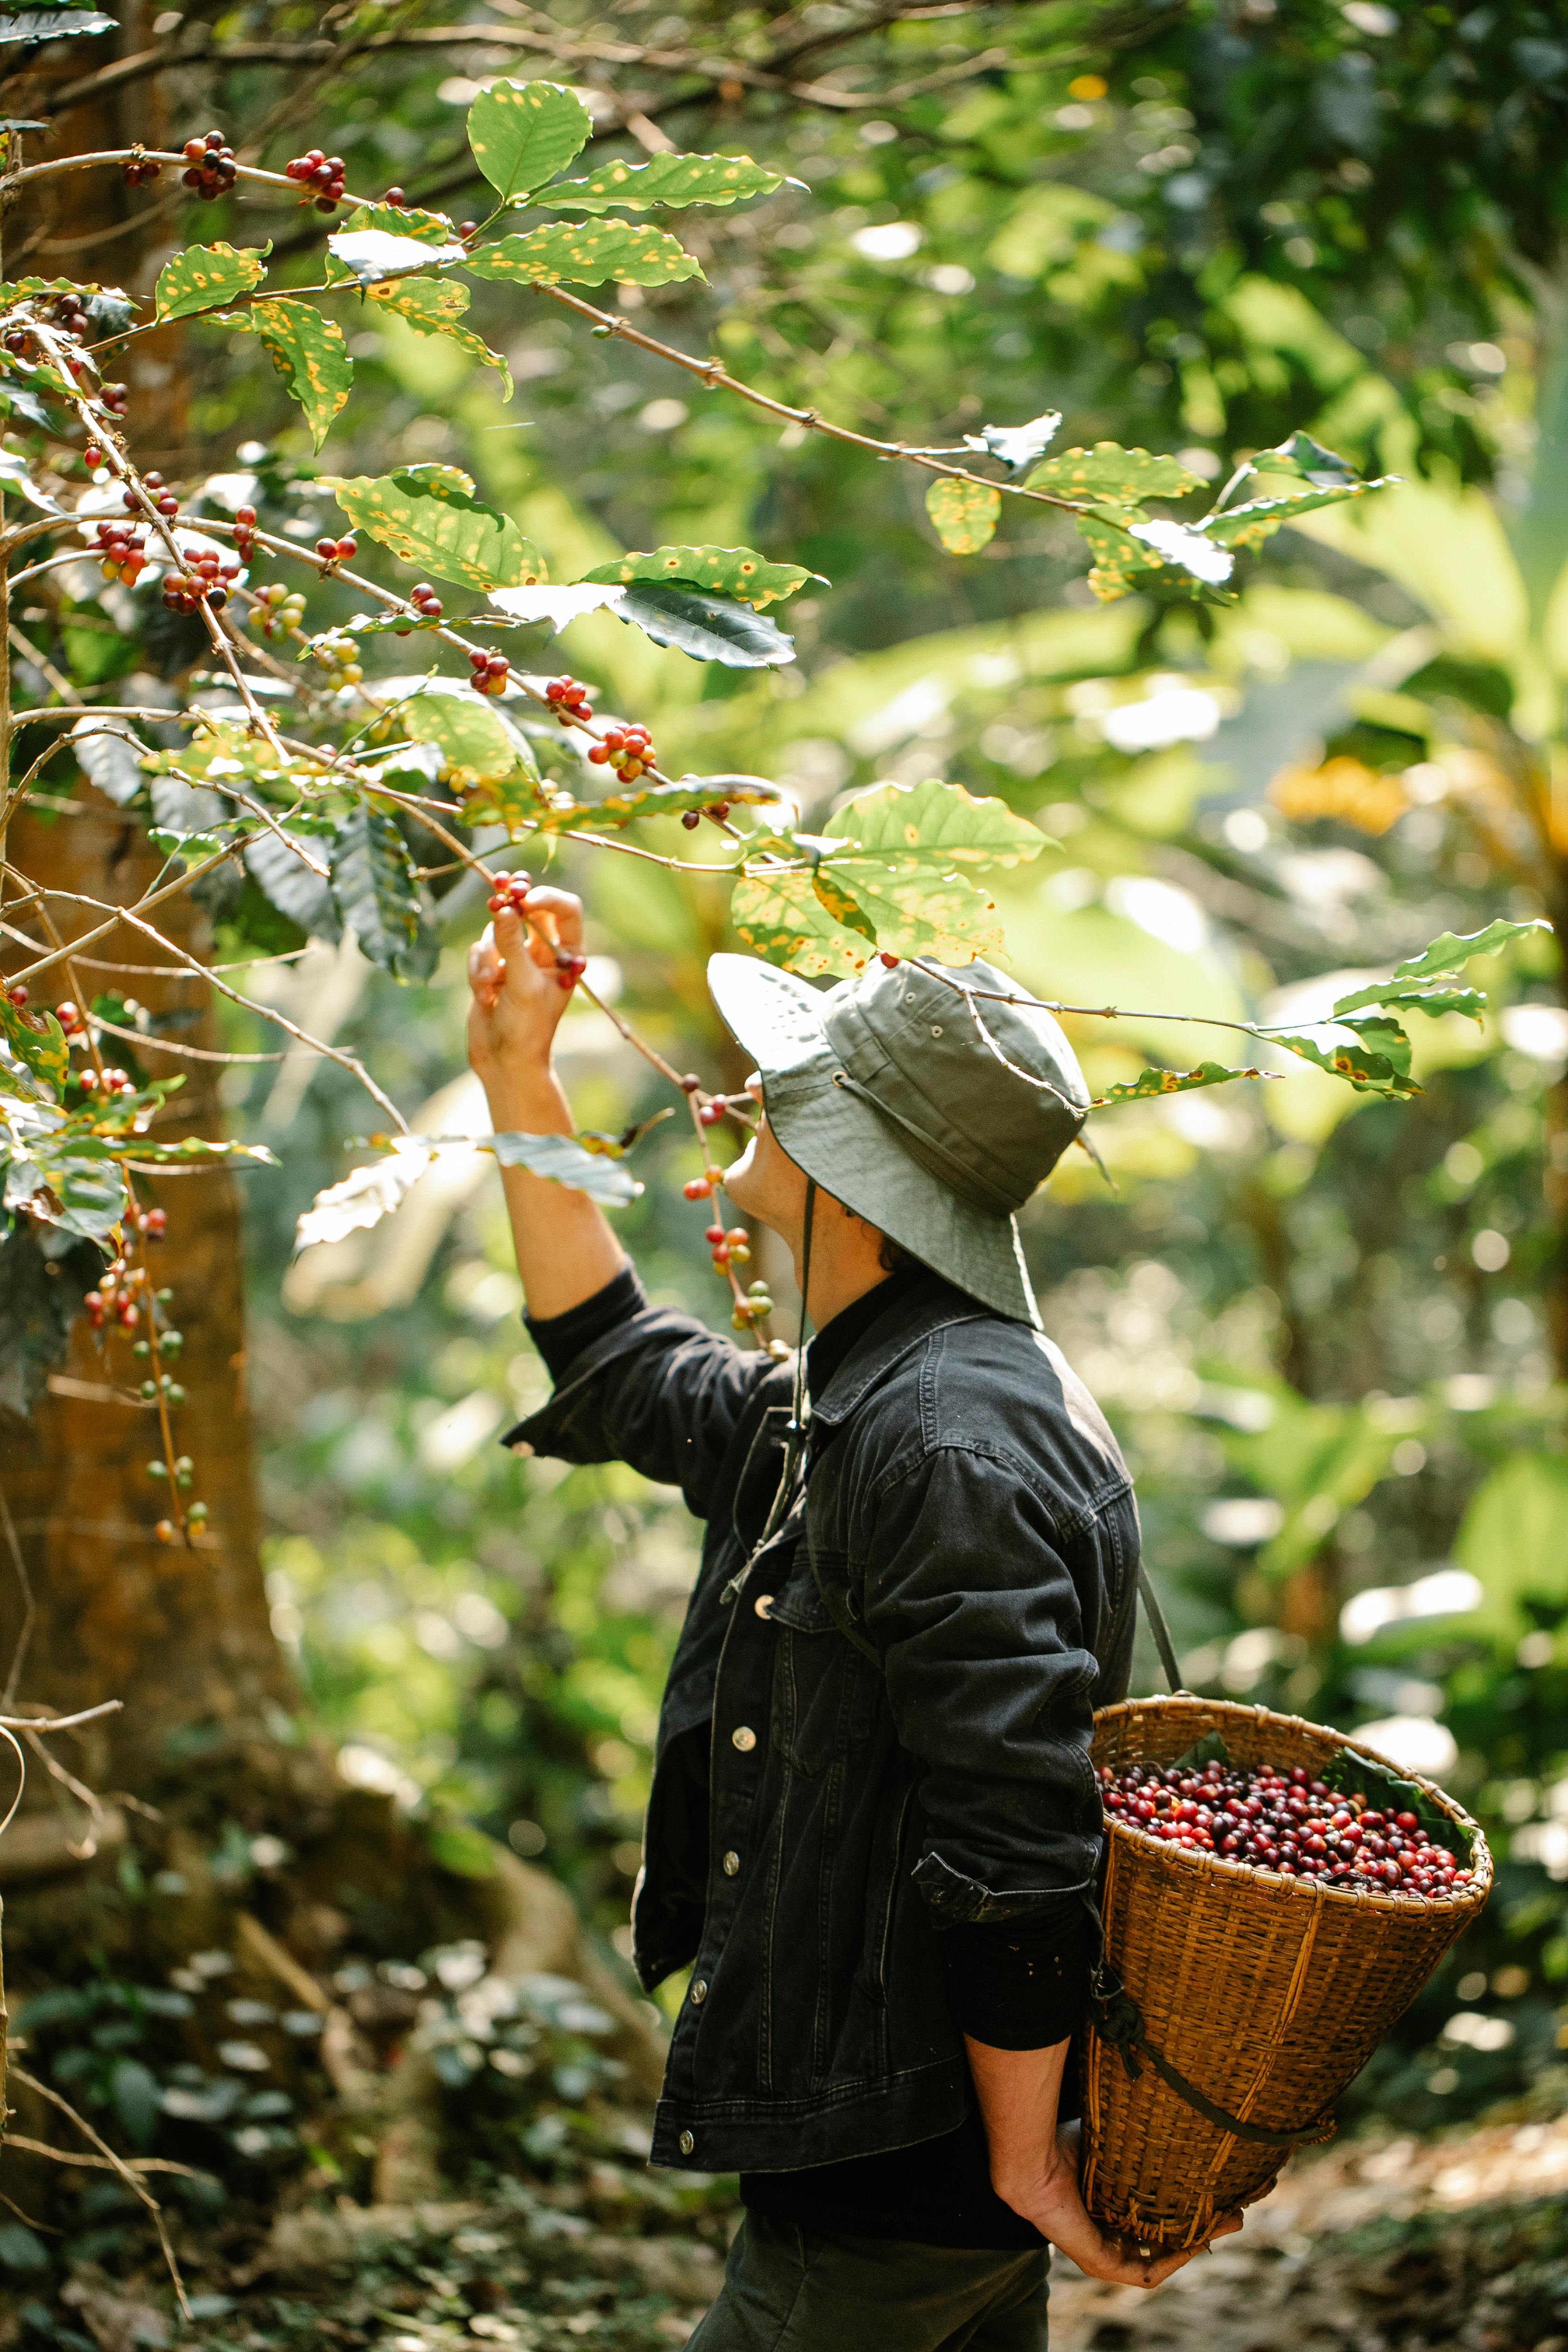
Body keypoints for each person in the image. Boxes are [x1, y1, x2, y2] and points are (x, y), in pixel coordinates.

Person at [467, 885, 1241, 2351]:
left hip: (901, 2186)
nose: (761, 1090)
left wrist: (1022, 2163)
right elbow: (622, 1367)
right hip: (895, 2171)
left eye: (807, 1085)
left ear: (863, 1168)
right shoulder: (868, 1393)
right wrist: (519, 1073)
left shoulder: (942, 1439)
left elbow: (1017, 1836)